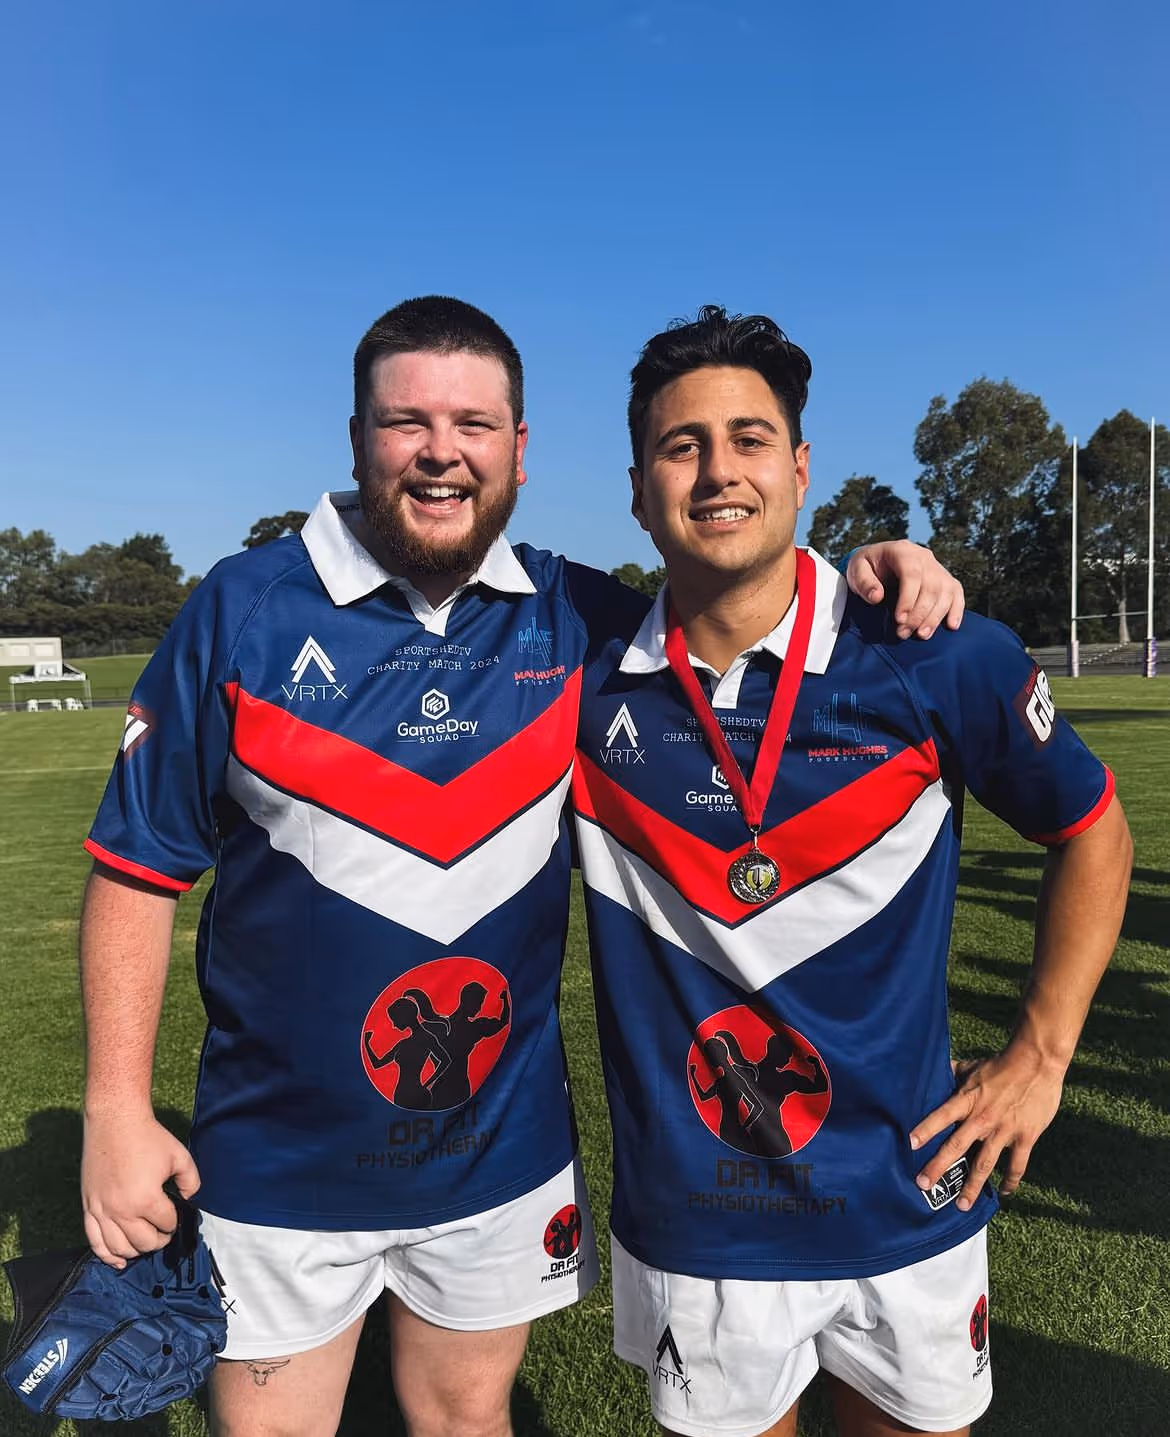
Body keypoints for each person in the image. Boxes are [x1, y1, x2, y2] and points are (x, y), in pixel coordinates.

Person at [78, 296, 966, 1437]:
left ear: (520, 451)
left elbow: (734, 587)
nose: (442, 452)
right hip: (276, 1160)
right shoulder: (243, 611)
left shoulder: (574, 614)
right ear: (358, 437)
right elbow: (135, 869)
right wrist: (113, 1109)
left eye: (474, 424)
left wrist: (876, 566)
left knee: (466, 1421)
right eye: (408, 422)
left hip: (498, 1156)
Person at [570, 305, 1133, 1437]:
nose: (718, 470)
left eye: (750, 438)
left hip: (910, 1192)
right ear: (636, 488)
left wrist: (1042, 1054)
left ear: (802, 467)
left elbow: (1093, 828)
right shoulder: (577, 668)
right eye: (683, 446)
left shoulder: (934, 651)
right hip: (703, 1216)